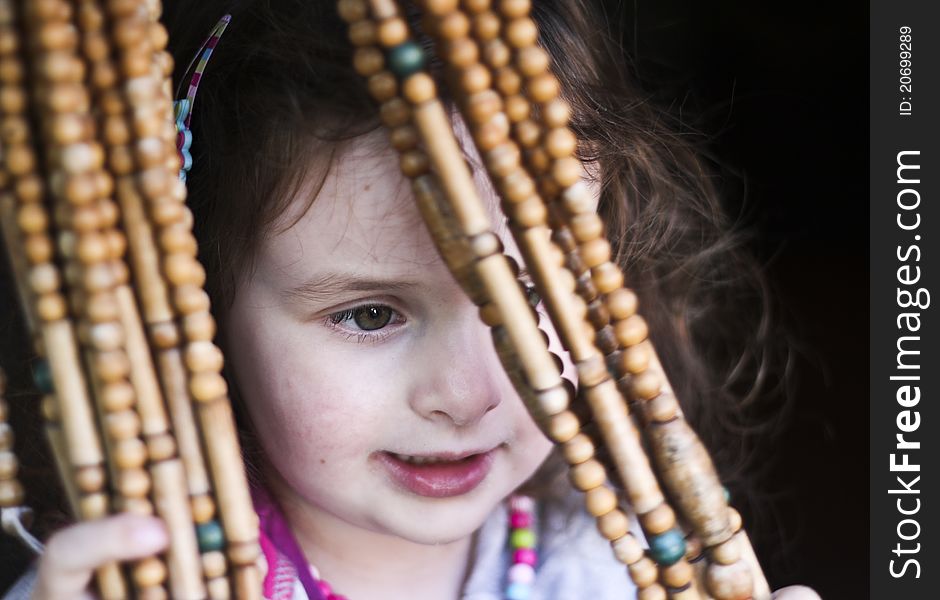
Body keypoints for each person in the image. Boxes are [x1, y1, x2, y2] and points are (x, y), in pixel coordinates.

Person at [2, 0, 820, 598]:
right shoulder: (136, 583)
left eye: (537, 292)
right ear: (200, 312)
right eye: (368, 314)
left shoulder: (608, 570)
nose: (471, 393)